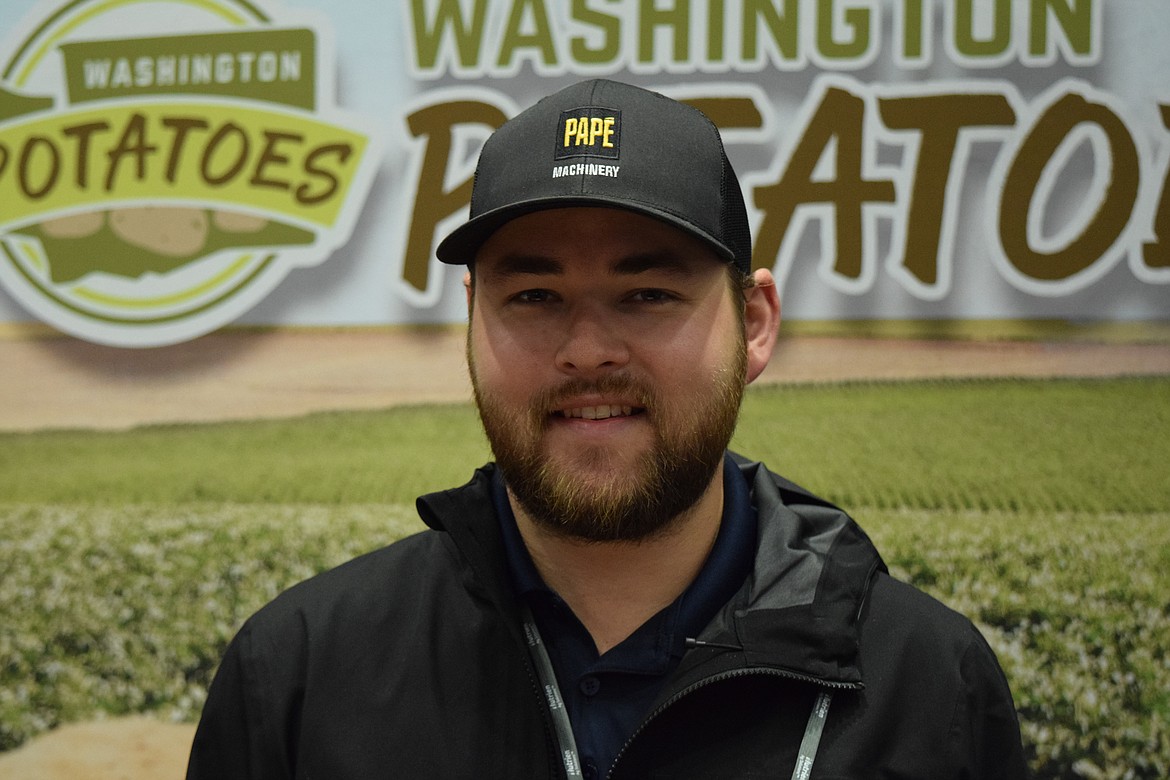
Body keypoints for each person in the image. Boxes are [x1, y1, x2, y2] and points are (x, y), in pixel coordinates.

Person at [187, 79, 1028, 779]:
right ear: (473, 321)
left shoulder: (926, 690)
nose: (588, 351)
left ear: (756, 323)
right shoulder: (300, 678)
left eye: (649, 293)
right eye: (535, 297)